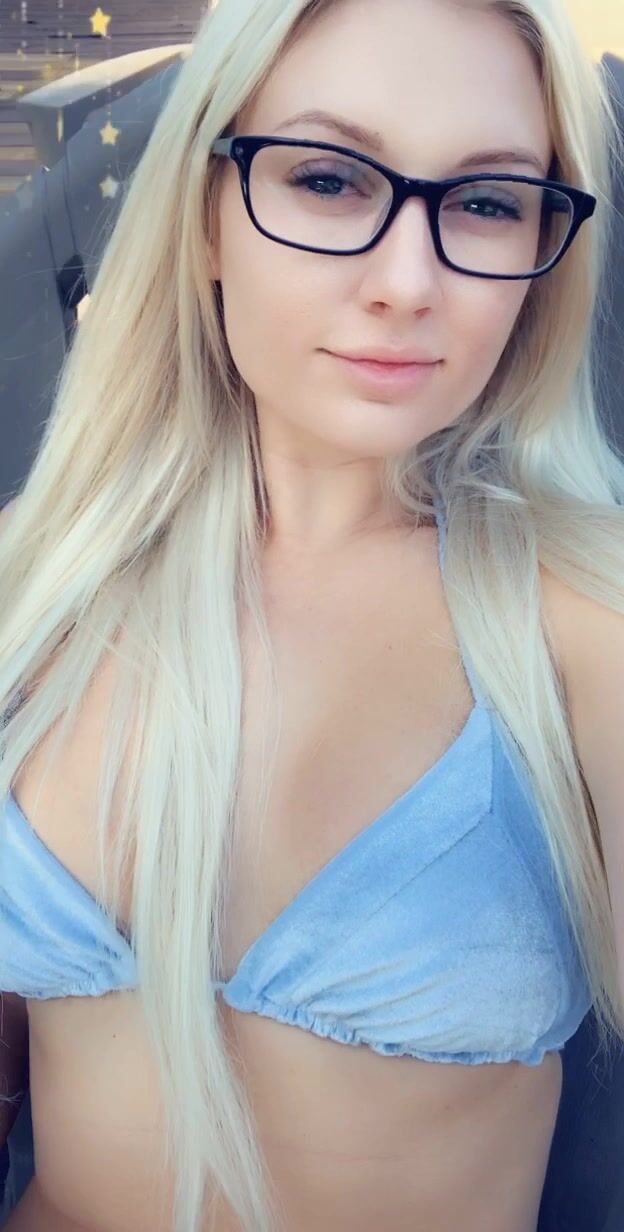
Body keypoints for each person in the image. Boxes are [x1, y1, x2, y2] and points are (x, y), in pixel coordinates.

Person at [1, 0, 624, 1230]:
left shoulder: (583, 623)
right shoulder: (38, 578)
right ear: (205, 214)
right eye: (329, 179)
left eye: (486, 201)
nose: (408, 283)